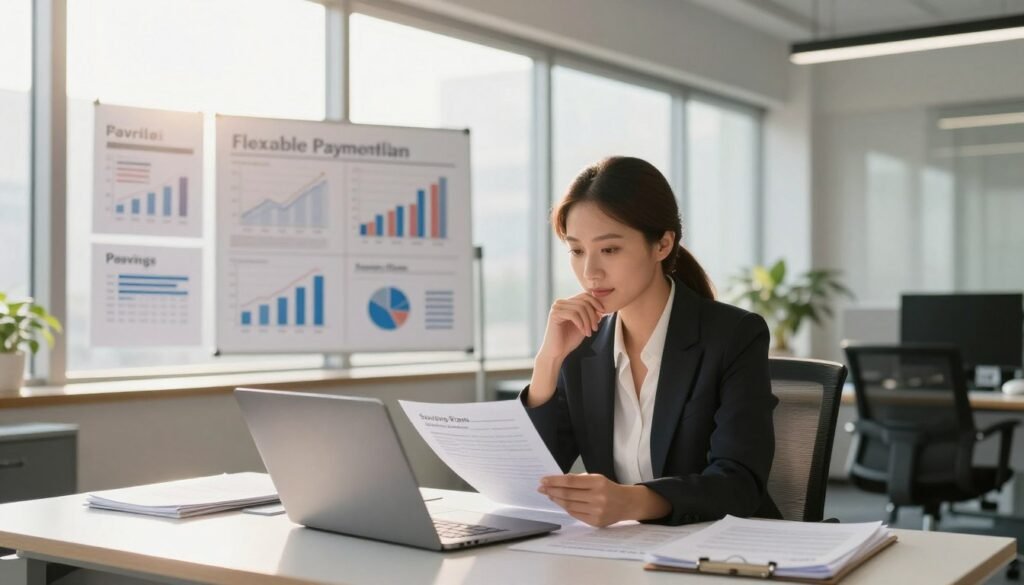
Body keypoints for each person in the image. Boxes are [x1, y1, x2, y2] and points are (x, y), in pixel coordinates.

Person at [523, 156, 780, 527]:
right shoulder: (581, 346)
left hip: (721, 551)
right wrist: (547, 363)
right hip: (628, 553)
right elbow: (534, 479)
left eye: (609, 249)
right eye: (577, 251)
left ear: (662, 245)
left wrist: (633, 502)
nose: (590, 272)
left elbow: (739, 484)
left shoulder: (733, 335)